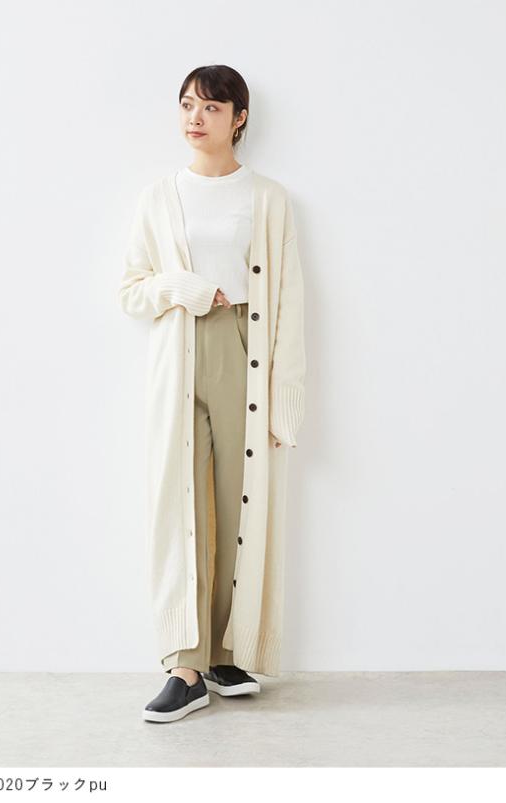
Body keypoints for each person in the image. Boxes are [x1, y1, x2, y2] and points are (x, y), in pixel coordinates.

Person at [118, 65, 307, 723]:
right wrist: (185, 288)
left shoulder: (268, 198)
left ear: (239, 118)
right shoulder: (158, 197)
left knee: (237, 507)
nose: (195, 118)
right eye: (187, 105)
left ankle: (226, 654)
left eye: (211, 107)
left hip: (244, 350)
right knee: (180, 507)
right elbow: (131, 290)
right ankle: (184, 664)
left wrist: (284, 402)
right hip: (180, 355)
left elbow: (288, 303)